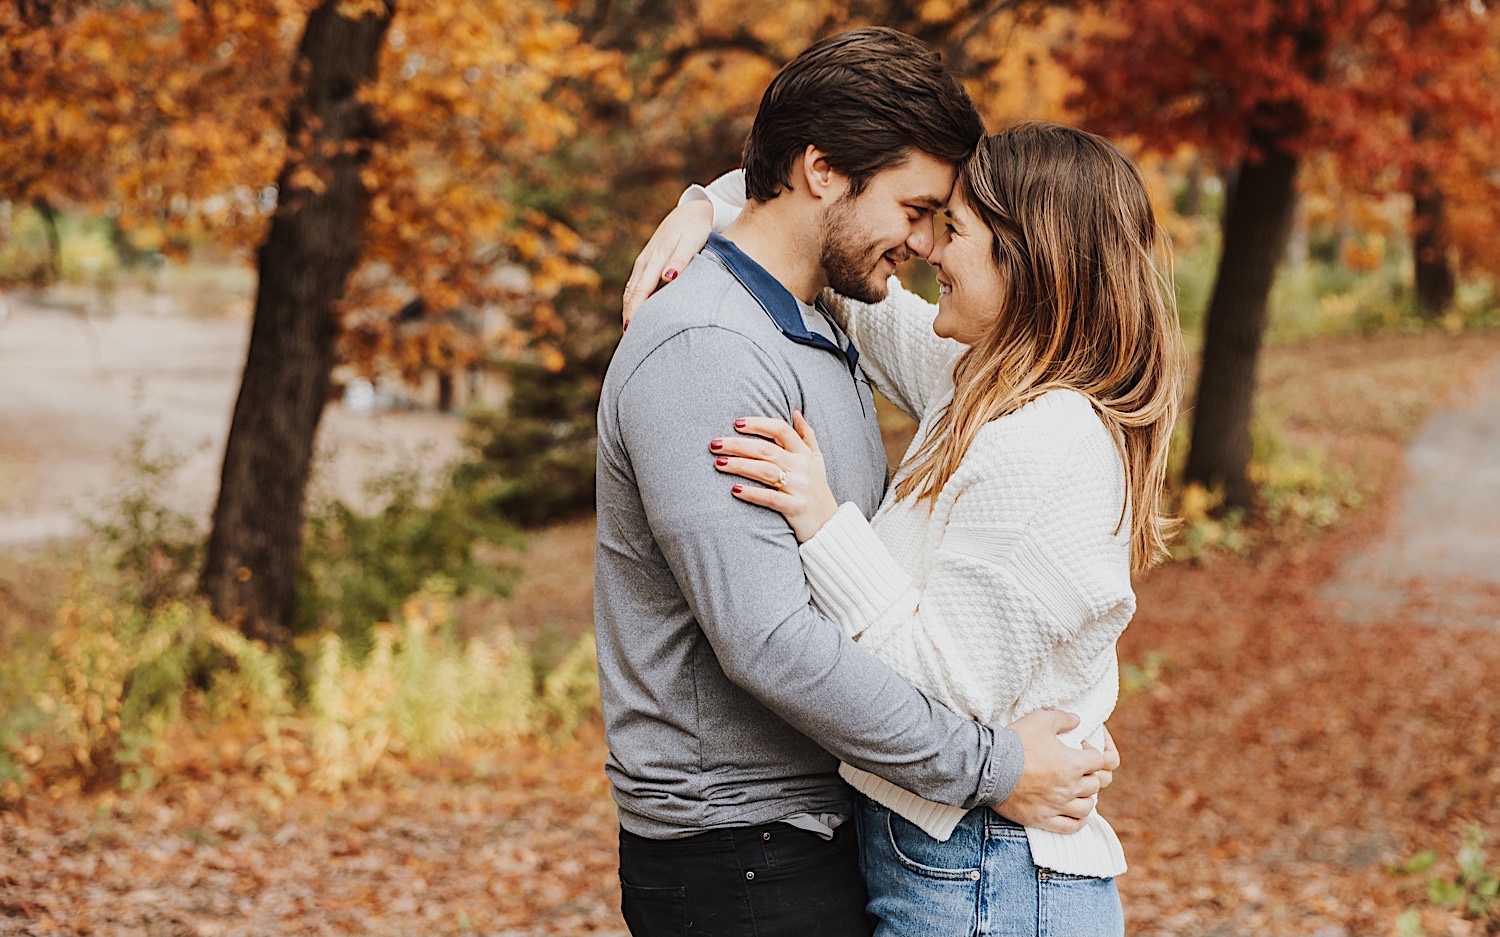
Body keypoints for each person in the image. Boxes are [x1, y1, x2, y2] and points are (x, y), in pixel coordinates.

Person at [596, 29, 1117, 937]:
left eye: (946, 223)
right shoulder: (710, 349)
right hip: (742, 847)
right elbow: (767, 642)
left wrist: (710, 204)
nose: (924, 243)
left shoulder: (833, 317)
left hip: (824, 827)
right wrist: (997, 766)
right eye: (919, 209)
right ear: (825, 171)